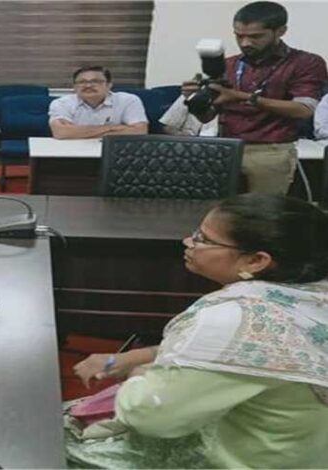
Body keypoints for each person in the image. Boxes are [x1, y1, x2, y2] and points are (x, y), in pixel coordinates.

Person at [66, 193, 328, 468]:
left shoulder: (235, 317)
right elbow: (243, 354)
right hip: (303, 455)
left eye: (203, 239)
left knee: (54, 441)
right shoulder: (308, 296)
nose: (188, 242)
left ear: (255, 260)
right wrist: (133, 357)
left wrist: (138, 375)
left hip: (246, 461)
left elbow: (152, 416)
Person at [181, 1, 327, 194]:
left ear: (281, 31)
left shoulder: (305, 62)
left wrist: (241, 97)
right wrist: (195, 100)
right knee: (220, 209)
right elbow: (207, 117)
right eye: (239, 36)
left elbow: (303, 110)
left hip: (271, 149)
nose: (245, 43)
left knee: (262, 209)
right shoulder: (228, 65)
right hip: (226, 147)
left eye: (256, 36)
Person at [49, 66, 149, 139]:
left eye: (95, 81)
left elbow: (140, 131)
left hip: (114, 151)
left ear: (109, 85)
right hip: (73, 151)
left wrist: (77, 132)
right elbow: (61, 132)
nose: (88, 86)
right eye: (82, 82)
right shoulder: (62, 103)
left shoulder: (128, 100)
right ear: (74, 87)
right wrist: (113, 128)